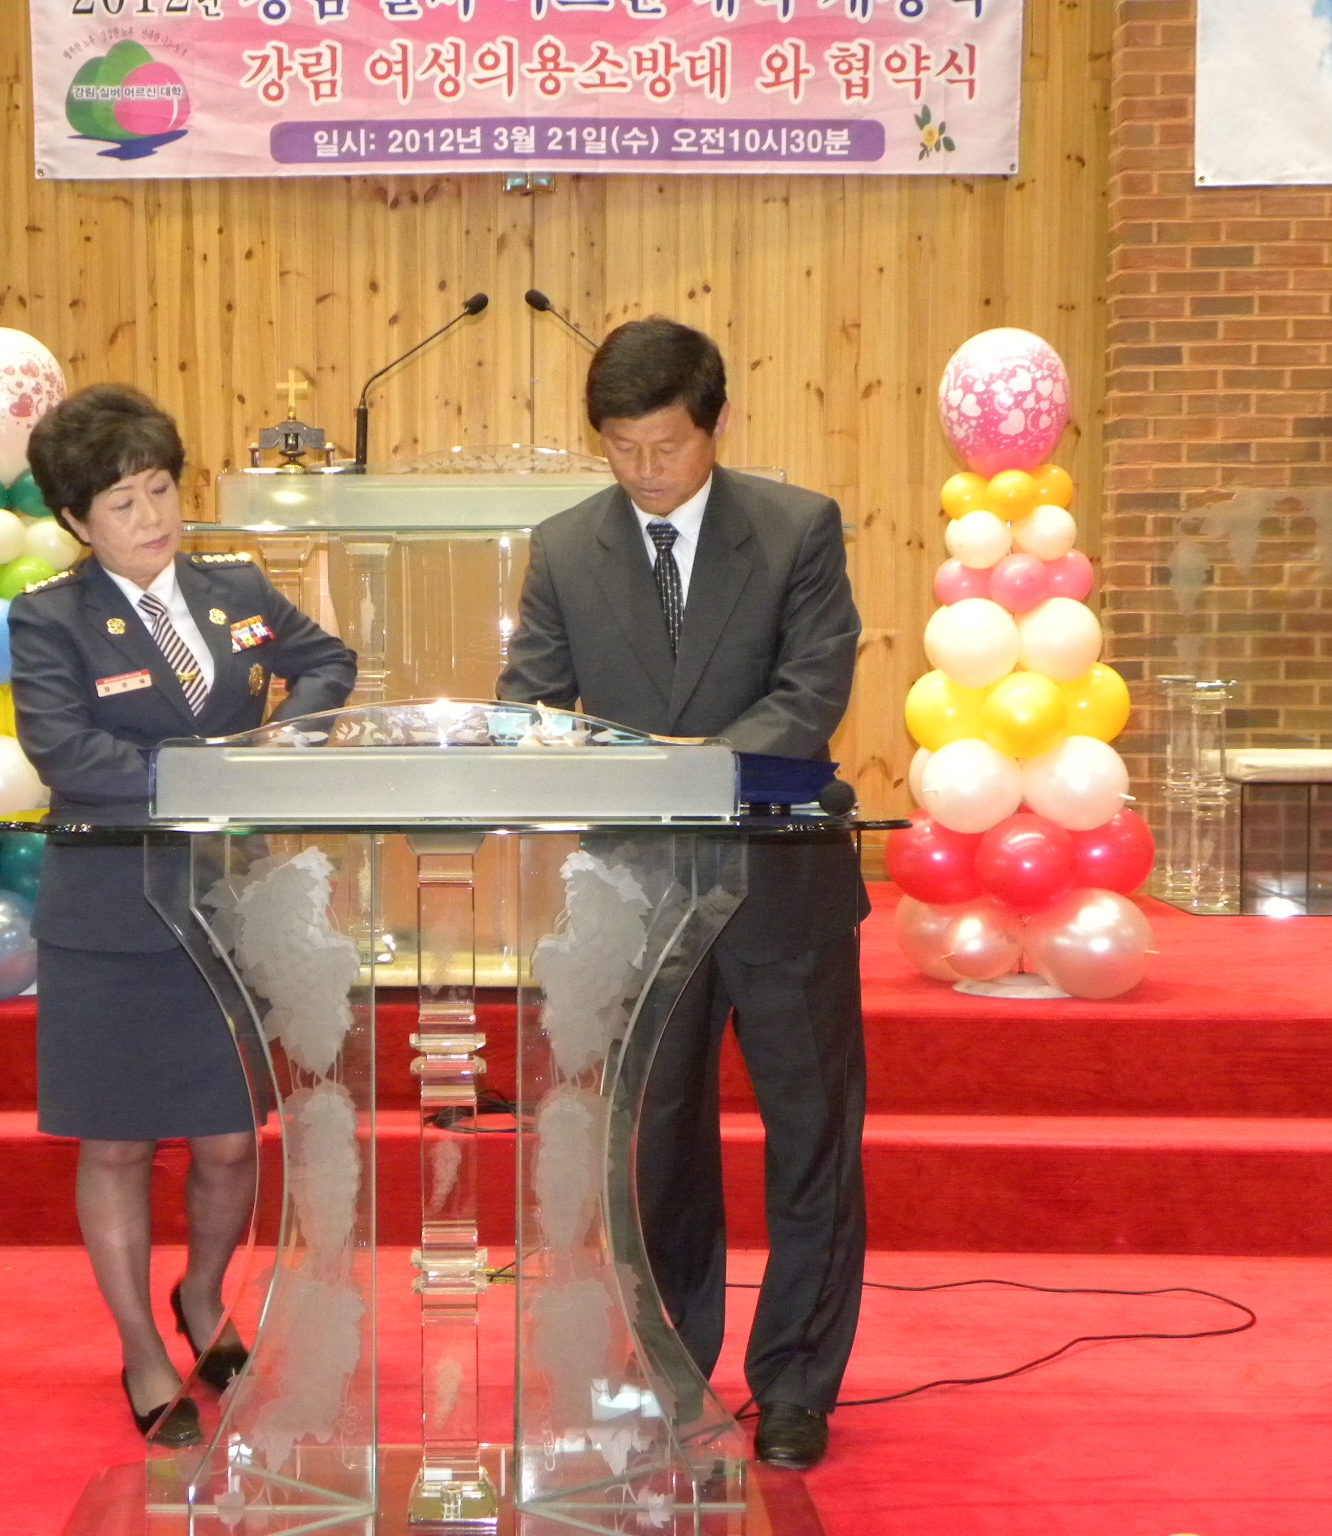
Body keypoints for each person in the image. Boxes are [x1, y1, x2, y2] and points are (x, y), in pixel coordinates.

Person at [497, 318, 865, 1471]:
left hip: (779, 884)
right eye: (621, 448)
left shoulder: (795, 528)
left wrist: (678, 766)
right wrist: (561, 750)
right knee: (656, 1148)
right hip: (637, 895)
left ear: (716, 424)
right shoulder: (566, 549)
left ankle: (795, 1383)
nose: (645, 470)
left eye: (665, 446)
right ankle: (667, 1368)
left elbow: (808, 694)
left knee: (808, 1136)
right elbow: (529, 704)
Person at [8, 384, 356, 1443]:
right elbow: (66, 752)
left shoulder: (233, 588)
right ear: (76, 520)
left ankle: (201, 1295)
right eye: (122, 503)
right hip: (109, 918)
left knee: (228, 1142)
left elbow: (326, 662)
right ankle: (140, 1351)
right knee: (117, 1146)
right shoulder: (49, 618)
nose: (151, 515)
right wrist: (206, 778)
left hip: (224, 910)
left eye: (159, 489)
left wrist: (279, 744)